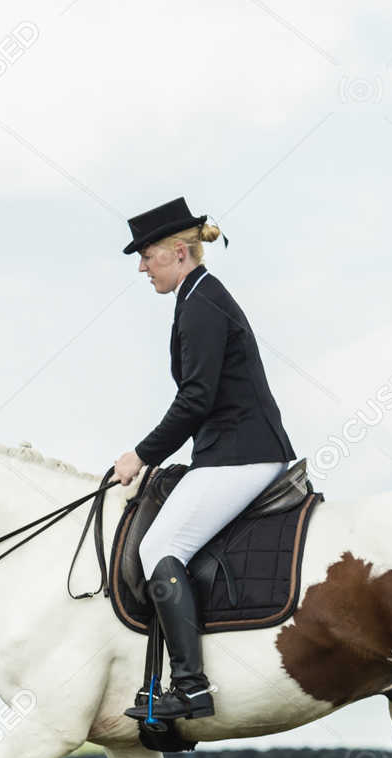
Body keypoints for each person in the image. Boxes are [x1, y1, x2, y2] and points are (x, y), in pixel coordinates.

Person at [112, 197, 296, 722]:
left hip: (242, 454)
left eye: (146, 255)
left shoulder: (201, 304)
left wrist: (142, 455)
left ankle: (191, 686)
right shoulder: (196, 297)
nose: (142, 267)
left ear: (178, 251)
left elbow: (196, 399)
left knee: (159, 546)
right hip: (229, 450)